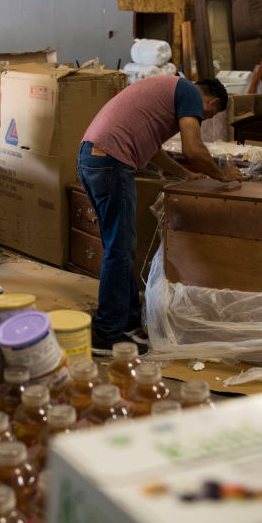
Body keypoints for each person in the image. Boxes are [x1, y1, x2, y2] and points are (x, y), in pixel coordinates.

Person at [77, 75, 241, 352]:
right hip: (112, 162)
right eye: (209, 115)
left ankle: (126, 320)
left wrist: (186, 174)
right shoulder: (189, 92)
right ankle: (105, 334)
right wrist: (221, 174)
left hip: (93, 157)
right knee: (120, 249)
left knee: (117, 247)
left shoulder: (166, 91)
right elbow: (193, 148)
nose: (205, 119)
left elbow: (153, 151)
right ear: (211, 102)